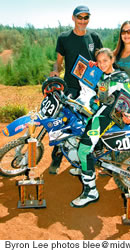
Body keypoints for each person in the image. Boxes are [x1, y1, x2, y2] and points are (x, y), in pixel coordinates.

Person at [70, 48, 130, 208]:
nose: (102, 64)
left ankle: (91, 191)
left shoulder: (120, 77)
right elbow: (92, 85)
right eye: (99, 61)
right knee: (83, 133)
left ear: (112, 60)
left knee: (83, 150)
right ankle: (89, 164)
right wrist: (92, 67)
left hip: (107, 116)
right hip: (100, 112)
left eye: (105, 61)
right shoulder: (102, 75)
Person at [49, 5, 103, 174]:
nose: (82, 21)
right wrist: (56, 70)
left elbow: (102, 59)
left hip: (90, 88)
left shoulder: (94, 37)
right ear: (73, 18)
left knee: (93, 121)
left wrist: (98, 65)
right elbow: (58, 61)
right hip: (70, 87)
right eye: (79, 17)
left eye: (86, 18)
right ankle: (57, 157)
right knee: (61, 121)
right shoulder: (64, 38)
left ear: (89, 19)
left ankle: (96, 158)